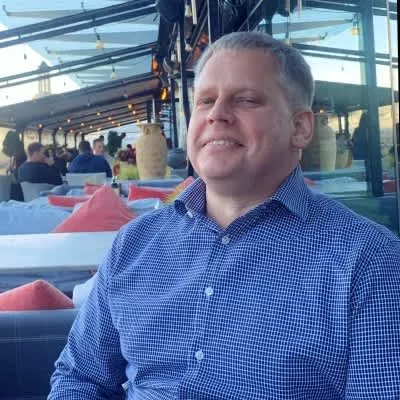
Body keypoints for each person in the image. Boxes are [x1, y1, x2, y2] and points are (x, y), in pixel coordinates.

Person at [49, 32, 400, 399]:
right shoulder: (135, 243)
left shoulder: (368, 261)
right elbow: (79, 377)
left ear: (300, 128)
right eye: (205, 101)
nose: (216, 114)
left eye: (245, 100)